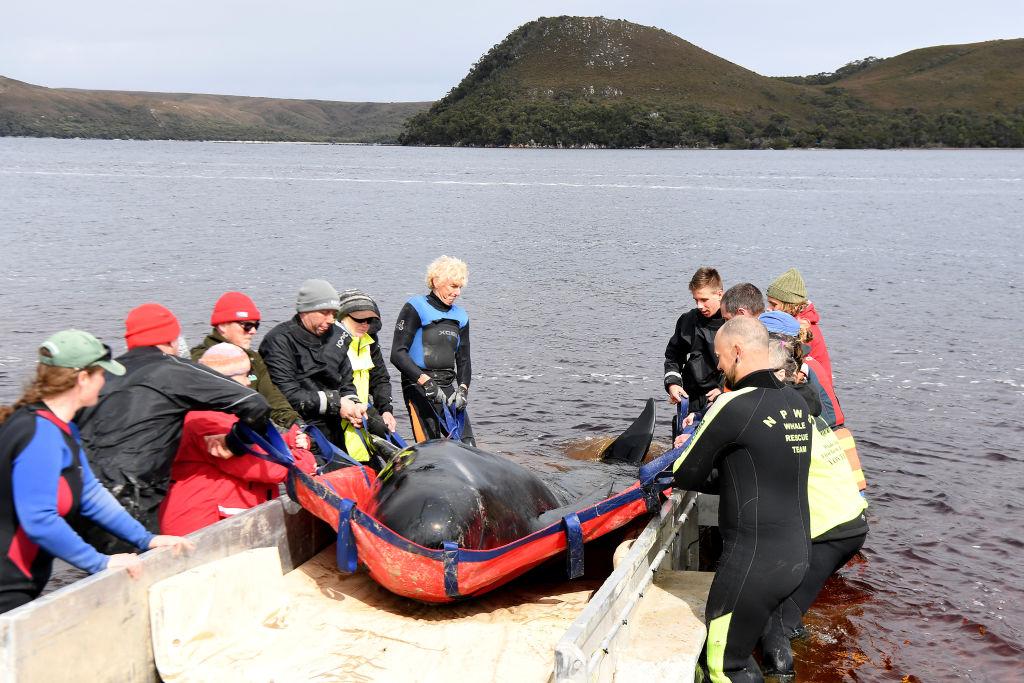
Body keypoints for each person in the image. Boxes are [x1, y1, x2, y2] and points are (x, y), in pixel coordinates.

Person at [0, 330, 192, 614]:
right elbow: (39, 519)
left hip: (25, 576)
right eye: (101, 374)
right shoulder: (39, 433)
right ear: (82, 378)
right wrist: (98, 562)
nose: (105, 381)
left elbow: (90, 494)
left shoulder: (62, 427)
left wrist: (145, 539)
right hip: (7, 581)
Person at [670, 317, 812, 683]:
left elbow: (685, 472)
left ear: (736, 352)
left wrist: (691, 448)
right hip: (797, 554)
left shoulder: (733, 405)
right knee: (752, 646)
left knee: (724, 665)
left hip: (752, 562)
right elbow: (762, 471)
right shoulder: (797, 403)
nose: (717, 366)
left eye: (718, 357)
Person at [77, 304, 271, 544]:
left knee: (101, 573)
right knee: (138, 572)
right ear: (172, 340)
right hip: (134, 499)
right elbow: (255, 405)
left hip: (83, 495)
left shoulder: (103, 375)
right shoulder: (173, 369)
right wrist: (234, 443)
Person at [159, 344, 316, 536]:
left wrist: (291, 439)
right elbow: (269, 468)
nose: (249, 382)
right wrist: (305, 457)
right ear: (224, 382)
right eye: (244, 375)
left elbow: (255, 443)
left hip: (219, 521)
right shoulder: (206, 421)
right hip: (202, 526)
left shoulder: (219, 414)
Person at [759, 415, 869, 678]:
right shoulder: (814, 420)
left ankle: (780, 674)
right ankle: (805, 649)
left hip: (828, 533)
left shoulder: (779, 423)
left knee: (775, 625)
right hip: (853, 524)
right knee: (792, 604)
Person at [259, 279, 366, 451]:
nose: (331, 320)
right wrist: (337, 403)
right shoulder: (279, 341)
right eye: (325, 312)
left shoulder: (337, 336)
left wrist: (354, 404)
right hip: (299, 430)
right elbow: (286, 394)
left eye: (334, 313)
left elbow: (346, 381)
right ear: (304, 312)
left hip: (334, 428)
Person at [390, 256, 474, 445]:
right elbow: (397, 354)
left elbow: (464, 360)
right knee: (432, 449)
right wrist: (426, 382)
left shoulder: (461, 316)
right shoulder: (416, 306)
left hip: (447, 387)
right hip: (419, 386)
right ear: (436, 281)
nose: (457, 292)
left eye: (460, 287)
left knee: (468, 447)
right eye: (453, 286)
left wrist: (462, 390)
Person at [190, 291, 299, 429]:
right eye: (246, 326)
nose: (253, 331)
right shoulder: (202, 362)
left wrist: (296, 425)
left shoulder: (253, 358)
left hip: (259, 429)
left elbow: (273, 398)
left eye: (256, 325)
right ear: (222, 325)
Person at [333, 290, 397, 465]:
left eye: (369, 320)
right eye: (359, 319)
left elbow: (380, 378)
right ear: (342, 317)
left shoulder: (370, 341)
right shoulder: (330, 343)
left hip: (362, 417)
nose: (365, 325)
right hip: (339, 420)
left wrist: (385, 409)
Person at [663, 267, 725, 417]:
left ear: (719, 294)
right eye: (696, 300)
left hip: (721, 398)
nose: (699, 306)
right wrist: (673, 384)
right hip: (690, 398)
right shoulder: (688, 320)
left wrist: (723, 391)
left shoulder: (732, 322)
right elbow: (673, 356)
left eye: (704, 300)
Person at [766, 268, 834, 382]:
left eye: (774, 304)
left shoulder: (804, 331)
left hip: (816, 393)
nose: (769, 309)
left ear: (789, 305)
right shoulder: (794, 324)